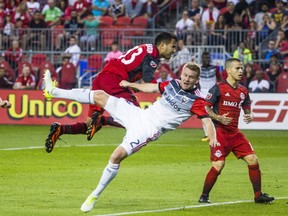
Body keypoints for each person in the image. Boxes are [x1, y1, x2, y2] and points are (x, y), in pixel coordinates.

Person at [43, 62, 219, 213]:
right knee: (99, 96)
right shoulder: (172, 83)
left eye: (191, 77)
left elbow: (206, 121)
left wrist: (212, 138)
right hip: (139, 115)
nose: (186, 79)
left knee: (115, 156)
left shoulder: (197, 100)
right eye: (185, 75)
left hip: (148, 130)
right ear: (181, 74)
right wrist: (131, 84)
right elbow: (152, 87)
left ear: (197, 80)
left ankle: (94, 195)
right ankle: (53, 91)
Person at [44, 31, 178, 153]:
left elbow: (136, 71)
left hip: (104, 77)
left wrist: (134, 86)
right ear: (162, 45)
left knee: (89, 125)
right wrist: (167, 94)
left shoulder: (146, 48)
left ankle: (60, 129)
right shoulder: (153, 55)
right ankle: (102, 120)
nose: (174, 50)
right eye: (173, 46)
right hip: (115, 79)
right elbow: (149, 79)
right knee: (138, 119)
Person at [198, 57, 274, 204]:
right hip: (220, 132)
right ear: (228, 70)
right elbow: (205, 108)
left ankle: (258, 195)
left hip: (235, 134)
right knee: (219, 165)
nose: (241, 71)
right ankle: (204, 196)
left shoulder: (243, 91)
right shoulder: (218, 88)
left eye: (241, 68)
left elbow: (247, 110)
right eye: (237, 68)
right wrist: (218, 118)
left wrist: (250, 116)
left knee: (253, 159)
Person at [199, 51, 221, 142]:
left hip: (213, 93)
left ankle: (216, 133)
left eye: (208, 58)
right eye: (205, 58)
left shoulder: (215, 68)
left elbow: (219, 79)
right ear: (202, 59)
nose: (207, 59)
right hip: (202, 93)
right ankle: (207, 134)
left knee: (214, 113)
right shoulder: (199, 69)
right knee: (204, 114)